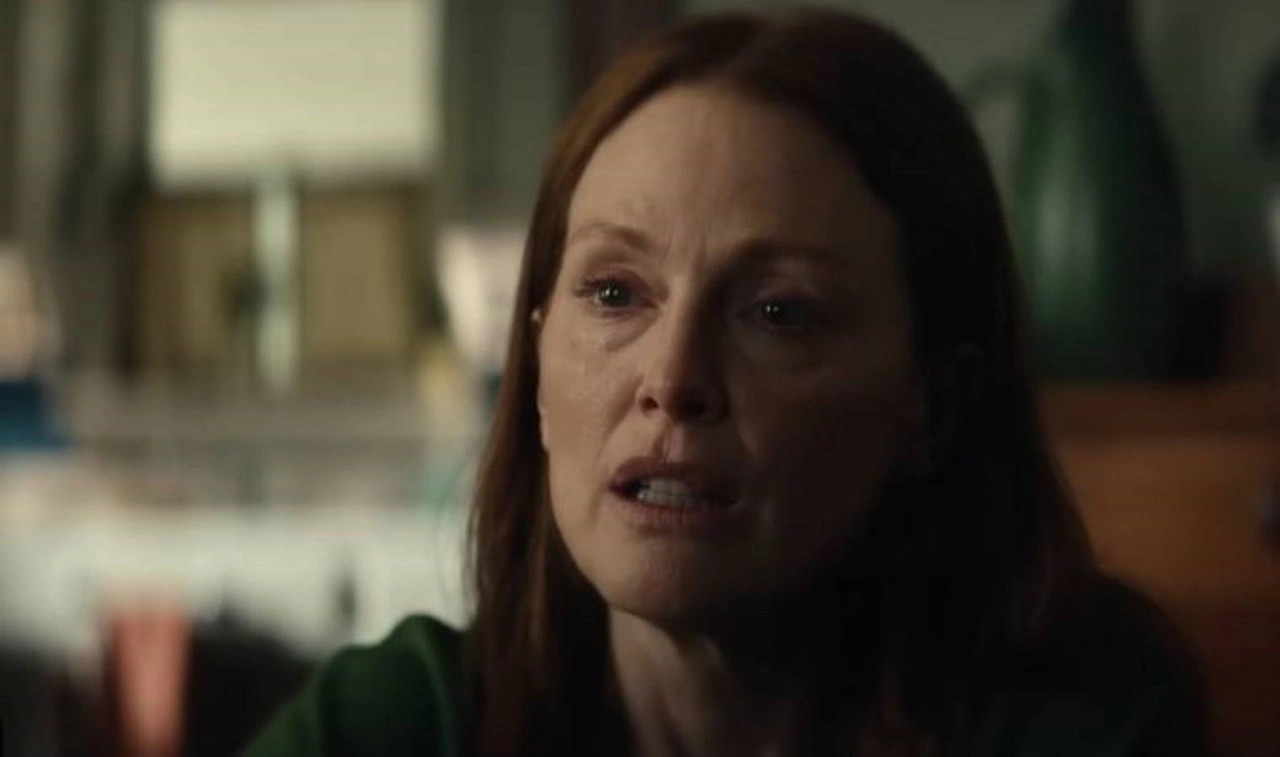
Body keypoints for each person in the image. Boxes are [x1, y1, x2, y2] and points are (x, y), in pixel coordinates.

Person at [244, 8, 1206, 756]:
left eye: (778, 311)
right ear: (535, 361)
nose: (672, 379)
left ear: (933, 405)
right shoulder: (400, 722)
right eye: (615, 293)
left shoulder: (1078, 716)